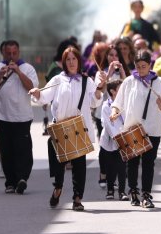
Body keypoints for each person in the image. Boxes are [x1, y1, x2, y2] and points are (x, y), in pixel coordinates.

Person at [30, 46, 106, 211]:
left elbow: (95, 102)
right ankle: (58, 187)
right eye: (68, 59)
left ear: (79, 61)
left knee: (79, 165)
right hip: (61, 127)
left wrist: (100, 89)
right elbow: (44, 97)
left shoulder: (87, 81)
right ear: (64, 62)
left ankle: (77, 198)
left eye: (74, 59)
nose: (71, 62)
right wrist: (37, 94)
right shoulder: (58, 80)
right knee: (59, 162)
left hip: (79, 126)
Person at [110, 51, 161, 208]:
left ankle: (146, 194)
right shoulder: (129, 81)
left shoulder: (159, 82)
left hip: (152, 128)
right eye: (138, 66)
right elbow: (118, 101)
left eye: (144, 66)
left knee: (149, 163)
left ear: (150, 65)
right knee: (133, 162)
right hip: (132, 127)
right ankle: (133, 191)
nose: (141, 70)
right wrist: (114, 112)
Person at [0, 40, 39, 194]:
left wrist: (19, 73)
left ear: (19, 52)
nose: (11, 56)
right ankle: (10, 182)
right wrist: (0, 76)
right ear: (3, 53)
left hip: (23, 117)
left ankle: (22, 179)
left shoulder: (28, 69)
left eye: (14, 53)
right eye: (8, 53)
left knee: (23, 150)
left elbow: (33, 88)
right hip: (3, 116)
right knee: (7, 150)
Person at [99, 79, 129, 201]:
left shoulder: (125, 104)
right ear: (112, 91)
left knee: (122, 166)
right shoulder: (106, 106)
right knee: (110, 166)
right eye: (120, 89)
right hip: (110, 140)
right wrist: (117, 138)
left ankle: (122, 191)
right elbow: (107, 124)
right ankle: (110, 189)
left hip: (123, 138)